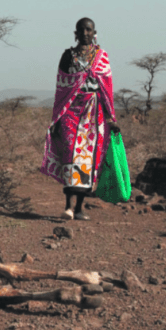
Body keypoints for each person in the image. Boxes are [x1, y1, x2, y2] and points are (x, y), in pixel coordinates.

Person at [40, 18, 120, 220]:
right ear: (75, 33)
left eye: (89, 29)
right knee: (70, 154)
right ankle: (67, 205)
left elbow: (106, 90)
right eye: (81, 29)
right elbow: (61, 88)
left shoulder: (102, 57)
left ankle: (79, 208)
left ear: (95, 32)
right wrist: (56, 118)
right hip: (70, 111)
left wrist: (111, 118)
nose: (85, 32)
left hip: (93, 114)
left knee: (87, 159)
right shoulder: (68, 56)